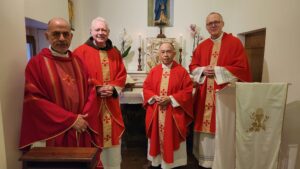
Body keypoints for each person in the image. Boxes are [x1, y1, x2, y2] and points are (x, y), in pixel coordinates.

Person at [19, 18, 99, 151]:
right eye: (56, 34)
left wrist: (83, 118)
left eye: (66, 34)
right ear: (47, 36)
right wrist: (71, 120)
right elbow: (35, 100)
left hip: (81, 127)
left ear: (71, 37)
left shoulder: (79, 62)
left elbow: (91, 91)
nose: (62, 38)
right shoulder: (36, 64)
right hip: (54, 131)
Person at [189, 12, 252, 168]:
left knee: (222, 127)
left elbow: (242, 69)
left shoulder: (235, 43)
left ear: (223, 23)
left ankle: (222, 160)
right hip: (204, 96)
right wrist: (203, 70)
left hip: (224, 96)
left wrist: (217, 70)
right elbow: (193, 67)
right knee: (204, 128)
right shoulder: (201, 46)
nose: (213, 25)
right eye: (210, 23)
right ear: (206, 26)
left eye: (216, 22)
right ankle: (204, 160)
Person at [73, 17, 127, 169]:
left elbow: (122, 75)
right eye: (97, 30)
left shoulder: (115, 53)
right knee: (93, 142)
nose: (101, 33)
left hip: (111, 106)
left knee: (113, 147)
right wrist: (96, 89)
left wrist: (113, 88)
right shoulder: (79, 52)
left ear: (108, 32)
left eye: (104, 30)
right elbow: (76, 79)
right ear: (91, 31)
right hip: (92, 107)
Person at [143, 42, 193, 169]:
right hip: (157, 112)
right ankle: (157, 162)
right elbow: (146, 88)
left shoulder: (182, 72)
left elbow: (187, 91)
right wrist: (154, 97)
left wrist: (171, 99)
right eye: (163, 52)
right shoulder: (154, 71)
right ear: (159, 54)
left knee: (172, 139)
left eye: (168, 51)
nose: (166, 55)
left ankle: (173, 164)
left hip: (173, 115)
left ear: (174, 53)